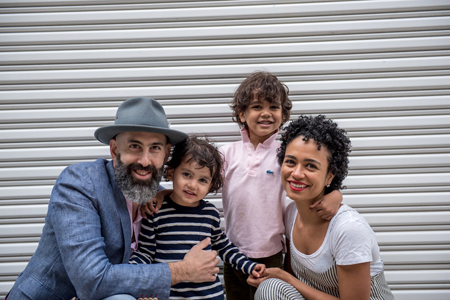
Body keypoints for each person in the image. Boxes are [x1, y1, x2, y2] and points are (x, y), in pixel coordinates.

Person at [7, 97, 221, 300]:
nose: (145, 161)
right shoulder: (79, 183)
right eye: (134, 146)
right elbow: (92, 281)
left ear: (166, 154)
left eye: (154, 148)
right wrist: (183, 270)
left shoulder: (160, 196)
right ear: (114, 149)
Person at [219, 71, 343, 300]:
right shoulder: (226, 154)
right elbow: (197, 182)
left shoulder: (285, 154)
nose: (266, 113)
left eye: (274, 107)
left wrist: (335, 195)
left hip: (272, 254)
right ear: (242, 114)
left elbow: (312, 181)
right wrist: (165, 193)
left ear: (283, 114)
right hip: (233, 253)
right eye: (257, 107)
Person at [247, 115, 395, 300]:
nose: (297, 173)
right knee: (270, 288)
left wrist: (286, 278)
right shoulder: (291, 214)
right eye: (291, 162)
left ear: (330, 176)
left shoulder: (348, 229)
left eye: (310, 166)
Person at [129, 136, 266, 300]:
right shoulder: (155, 211)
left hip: (209, 295)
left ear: (211, 185)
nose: (193, 185)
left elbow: (224, 246)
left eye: (202, 180)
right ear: (171, 173)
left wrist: (249, 266)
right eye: (187, 174)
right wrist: (128, 271)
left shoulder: (209, 213)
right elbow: (145, 253)